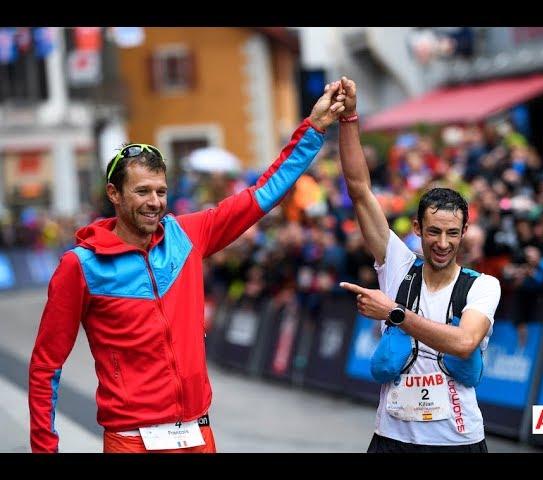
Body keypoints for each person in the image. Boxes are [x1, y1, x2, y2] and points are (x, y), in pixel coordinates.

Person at [28, 81, 347, 453]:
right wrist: (44, 447)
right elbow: (45, 366)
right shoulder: (80, 265)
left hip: (197, 432)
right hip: (131, 440)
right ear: (114, 194)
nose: (154, 202)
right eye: (142, 191)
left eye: (161, 191)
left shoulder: (186, 236)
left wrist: (314, 128)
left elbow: (262, 194)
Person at [336, 77, 501, 453]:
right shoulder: (397, 266)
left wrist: (394, 313)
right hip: (393, 440)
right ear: (417, 229)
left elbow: (463, 343)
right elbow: (359, 189)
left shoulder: (482, 286)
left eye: (452, 233)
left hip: (457, 442)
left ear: (464, 233)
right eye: (434, 232)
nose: (443, 244)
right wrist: (349, 119)